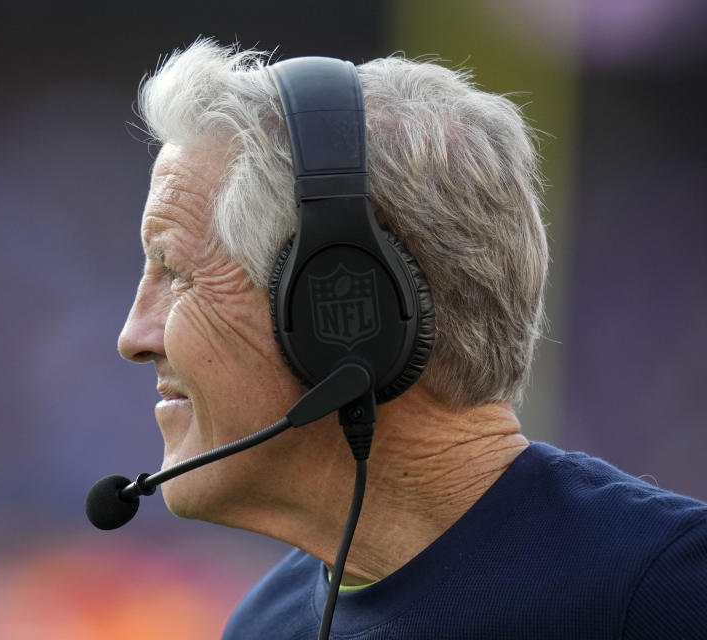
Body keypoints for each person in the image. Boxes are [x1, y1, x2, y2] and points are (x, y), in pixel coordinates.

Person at [115, 39, 707, 639]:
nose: (133, 337)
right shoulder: (263, 626)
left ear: (344, 313)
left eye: (179, 274)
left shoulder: (669, 592)